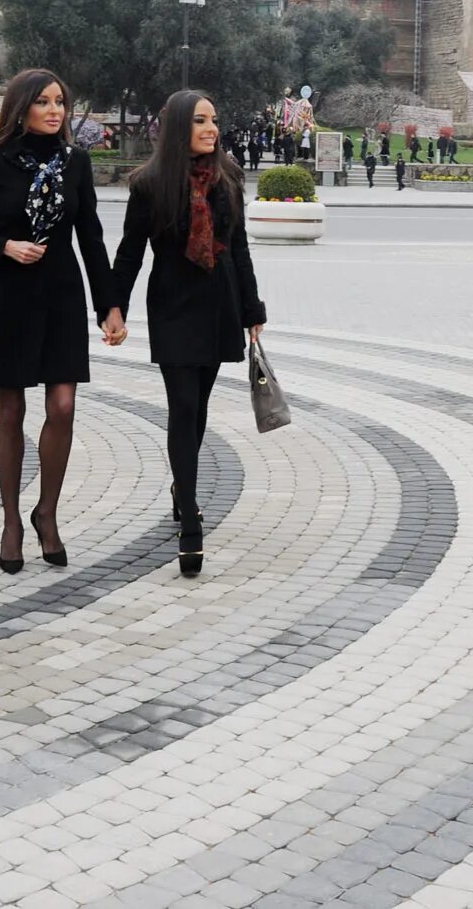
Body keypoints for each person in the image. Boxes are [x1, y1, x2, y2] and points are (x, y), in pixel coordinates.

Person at [0, 70, 125, 574]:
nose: (55, 111)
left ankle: (46, 512)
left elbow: (91, 238)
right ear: (21, 107)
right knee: (10, 412)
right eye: (44, 102)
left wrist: (109, 306)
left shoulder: (77, 163)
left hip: (62, 296)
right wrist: (3, 247)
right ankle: (10, 522)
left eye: (61, 102)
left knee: (64, 405)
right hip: (7, 297)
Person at [110, 89, 267, 579]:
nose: (211, 129)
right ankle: (191, 521)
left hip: (219, 303)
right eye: (200, 121)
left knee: (198, 408)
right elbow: (130, 251)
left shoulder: (229, 177)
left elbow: (238, 248)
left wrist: (252, 309)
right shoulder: (150, 183)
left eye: (214, 120)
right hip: (174, 306)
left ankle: (183, 487)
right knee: (182, 407)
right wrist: (114, 307)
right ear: (180, 127)